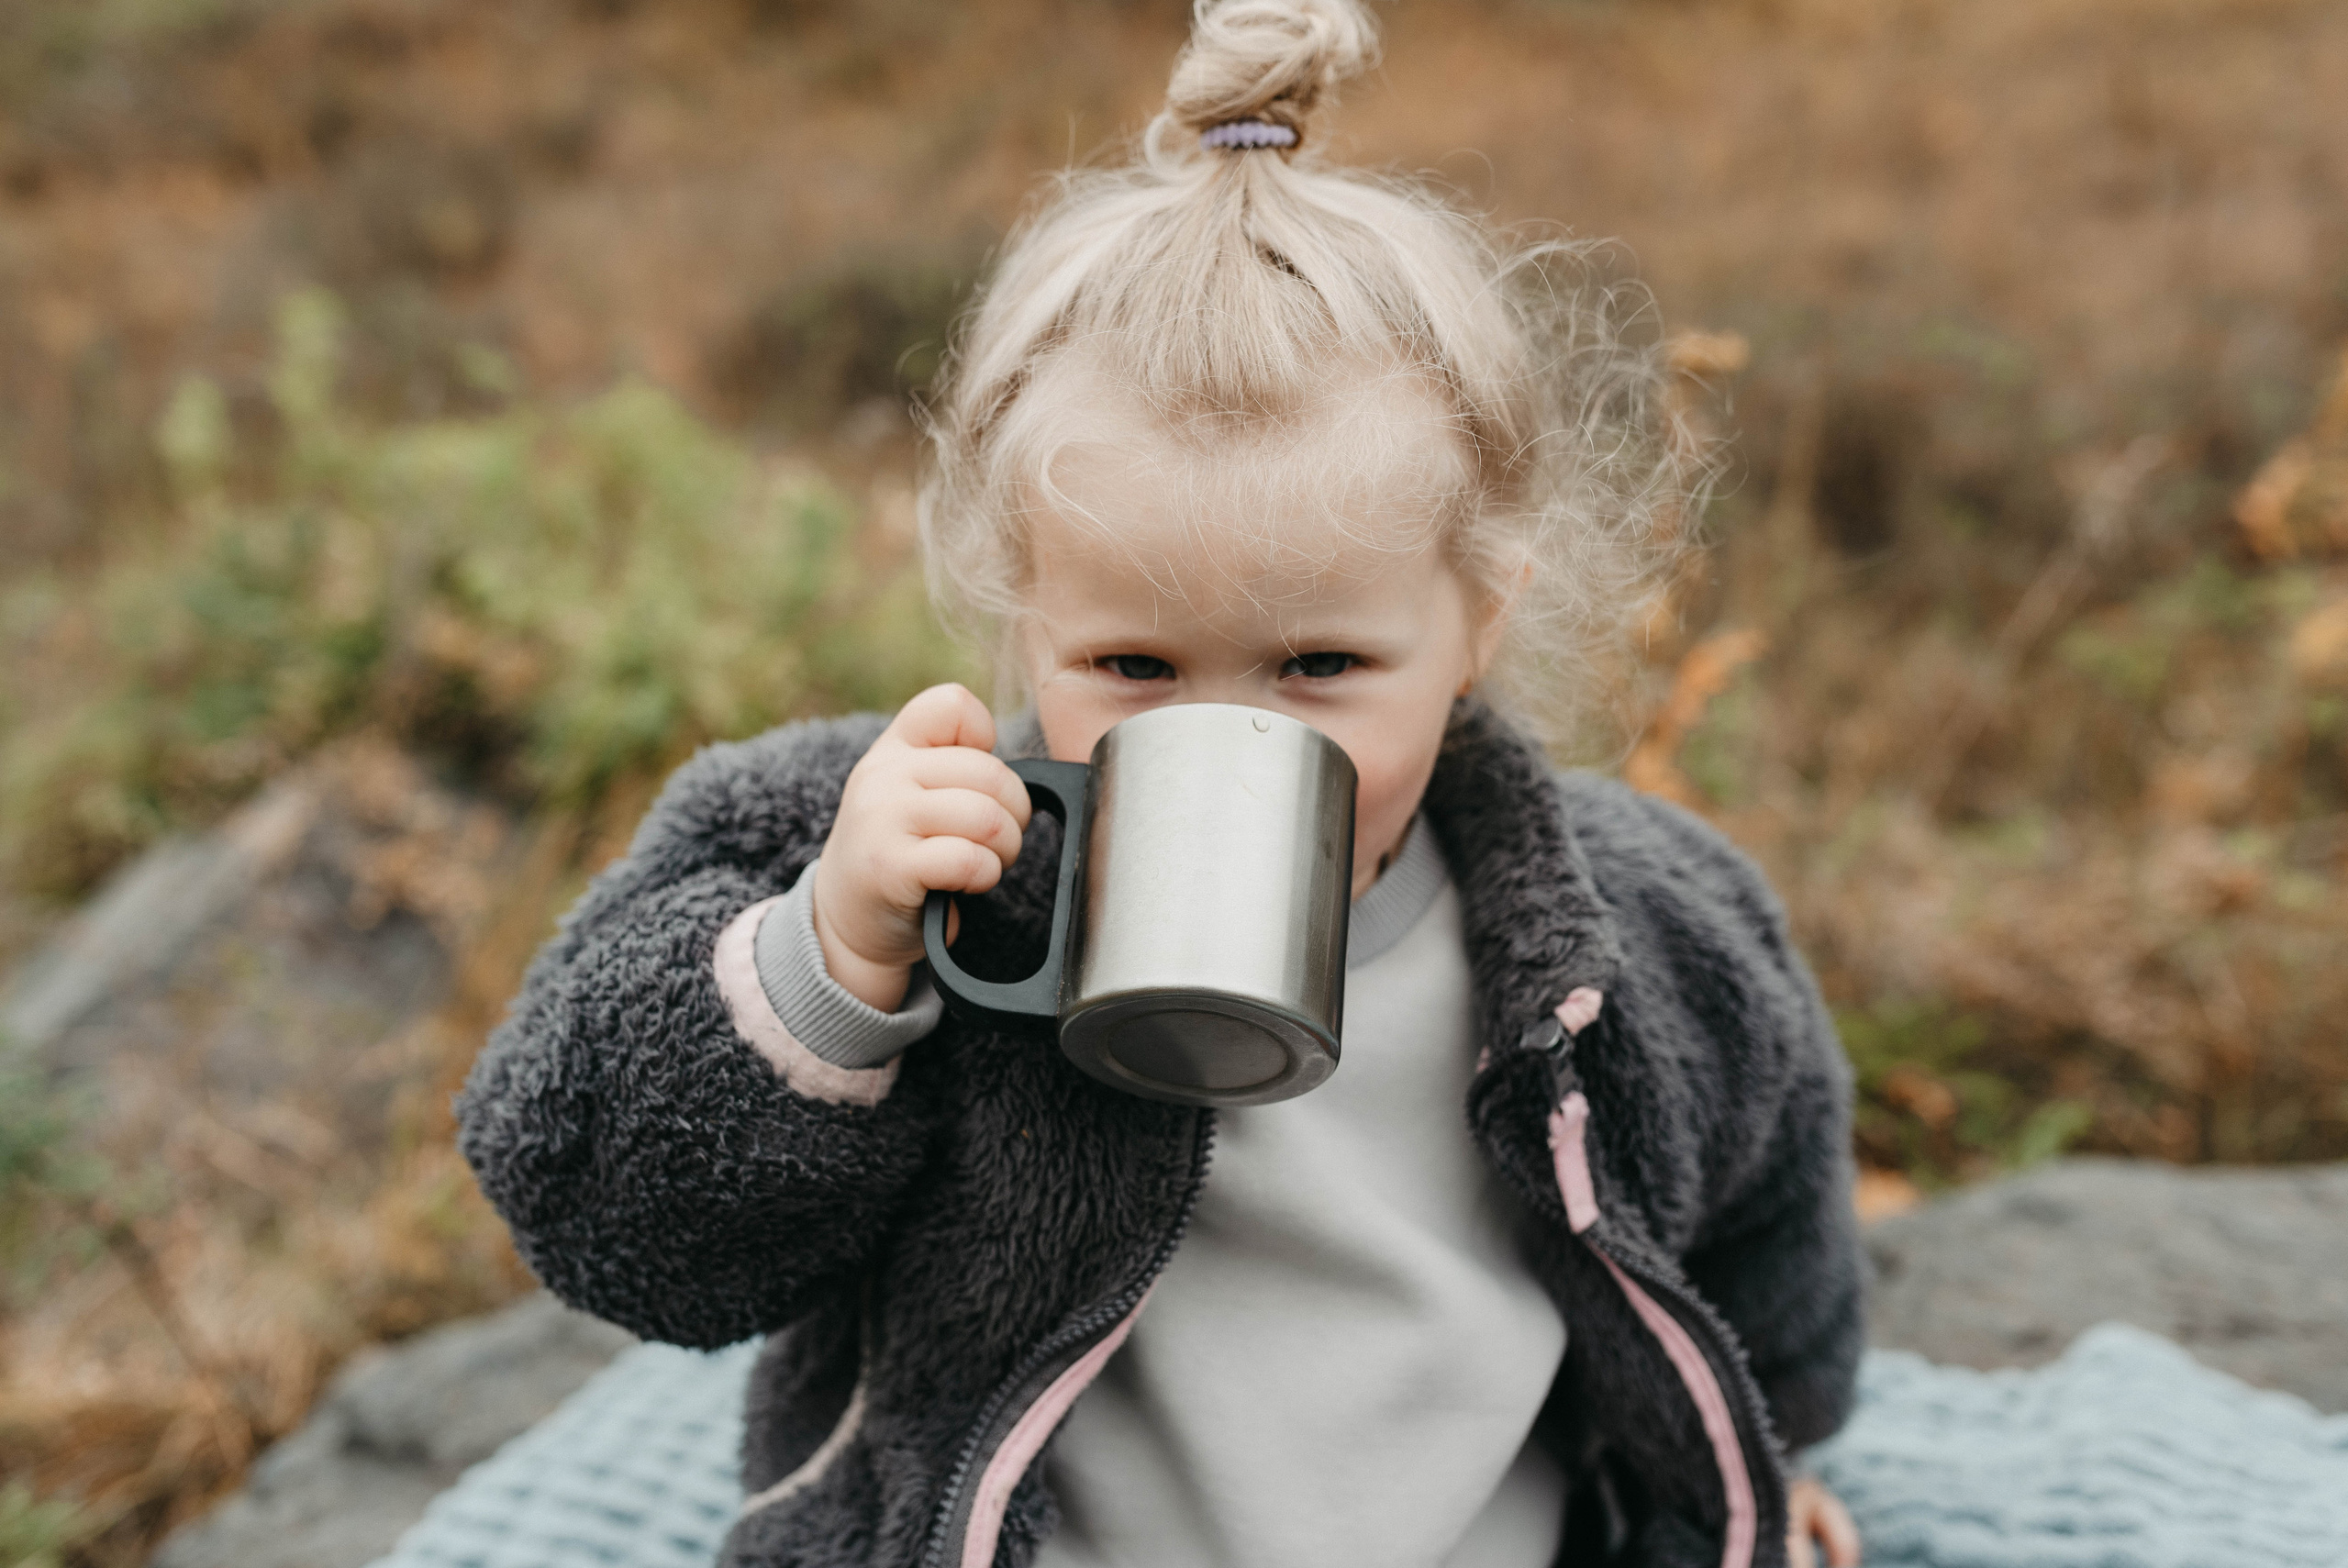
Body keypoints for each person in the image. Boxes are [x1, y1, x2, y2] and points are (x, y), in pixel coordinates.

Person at [457, 3, 1866, 1564]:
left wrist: (1756, 1448)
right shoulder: (898, 860)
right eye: (1132, 667)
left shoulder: (1648, 930)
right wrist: (835, 961)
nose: (1226, 732)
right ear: (1023, 616)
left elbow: (1770, 1223)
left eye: (1320, 668)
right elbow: (598, 1211)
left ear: (1481, 619)